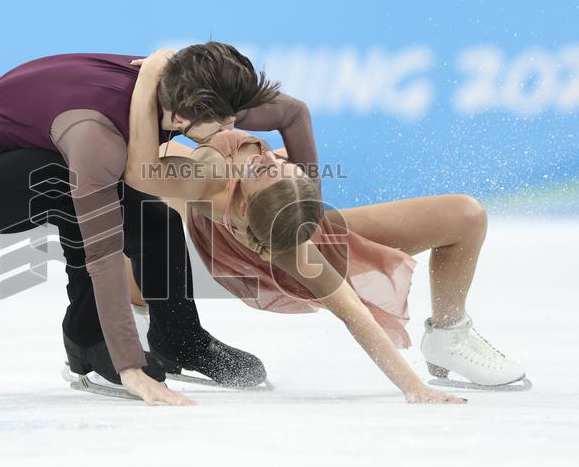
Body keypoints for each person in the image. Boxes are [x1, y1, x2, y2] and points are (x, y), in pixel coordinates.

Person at [123, 50, 530, 402]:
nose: (275, 163)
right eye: (277, 169)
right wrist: (412, 387)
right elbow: (356, 315)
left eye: (276, 169)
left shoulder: (218, 174)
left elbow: (141, 168)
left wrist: (153, 74)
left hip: (287, 225)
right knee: (464, 214)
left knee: (138, 188)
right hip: (290, 234)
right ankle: (141, 319)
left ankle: (447, 335)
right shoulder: (233, 190)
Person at [0, 43, 320, 405]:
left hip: (38, 143)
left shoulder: (200, 89)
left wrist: (306, 210)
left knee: (158, 220)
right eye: (222, 125)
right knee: (73, 190)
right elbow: (103, 251)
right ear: (182, 115)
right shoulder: (96, 136)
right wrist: (129, 365)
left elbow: (293, 113)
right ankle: (88, 342)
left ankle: (179, 339)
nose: (231, 130)